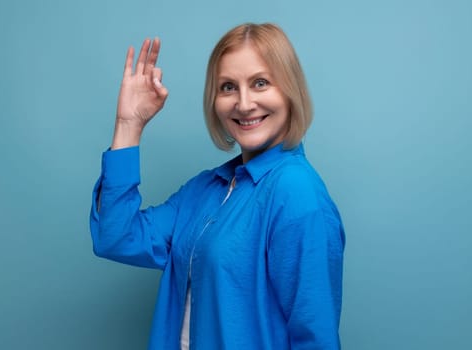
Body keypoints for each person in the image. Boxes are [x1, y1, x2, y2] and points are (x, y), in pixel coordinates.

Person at [89, 22, 345, 349]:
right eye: (227, 87)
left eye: (261, 83)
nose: (244, 103)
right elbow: (115, 237)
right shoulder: (206, 189)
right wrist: (128, 125)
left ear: (289, 89)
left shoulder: (296, 193)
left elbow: (315, 337)